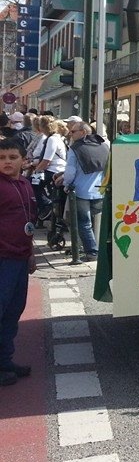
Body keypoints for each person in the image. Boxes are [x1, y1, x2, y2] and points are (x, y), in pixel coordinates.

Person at [0, 137, 37, 386]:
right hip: (3, 257)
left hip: (20, 257)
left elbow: (29, 221)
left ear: (23, 161)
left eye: (12, 157)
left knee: (13, 311)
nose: (7, 162)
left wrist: (30, 253)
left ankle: (5, 361)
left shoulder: (25, 184)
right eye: (1, 158)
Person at [60, 122, 109, 262]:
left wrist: (66, 184)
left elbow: (70, 171)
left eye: (73, 131)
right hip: (100, 190)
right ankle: (95, 249)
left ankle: (91, 252)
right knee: (93, 221)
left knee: (84, 223)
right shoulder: (103, 146)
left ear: (83, 132)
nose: (70, 134)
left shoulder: (75, 148)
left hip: (81, 191)